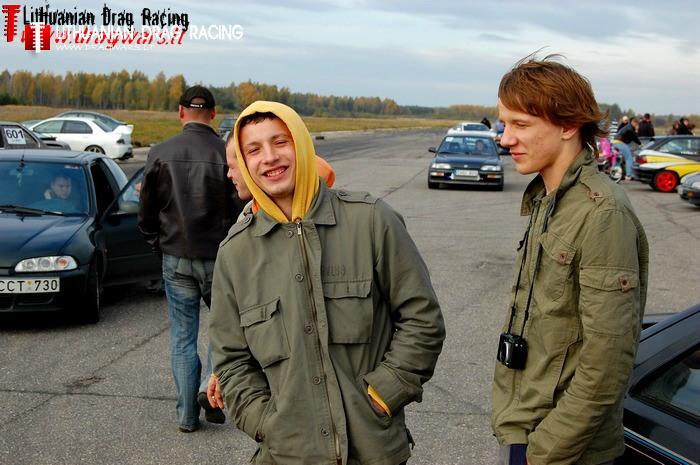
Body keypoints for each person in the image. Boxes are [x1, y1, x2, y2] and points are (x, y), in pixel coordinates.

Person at [209, 101, 445, 465]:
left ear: (303, 145)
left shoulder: (371, 221)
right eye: (253, 150)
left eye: (280, 142)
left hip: (373, 450)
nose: (269, 158)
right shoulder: (235, 253)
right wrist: (267, 424)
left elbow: (422, 319)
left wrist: (385, 394)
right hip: (287, 455)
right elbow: (231, 360)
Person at [492, 55, 649, 465]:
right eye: (505, 124)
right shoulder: (548, 199)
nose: (505, 139)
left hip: (564, 449)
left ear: (568, 125)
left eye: (520, 124)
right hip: (527, 425)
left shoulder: (602, 214)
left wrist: (546, 450)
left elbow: (606, 362)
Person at [138, 85, 243, 433]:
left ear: (181, 112)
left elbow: (146, 211)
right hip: (221, 258)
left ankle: (186, 416)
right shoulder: (225, 153)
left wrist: (158, 243)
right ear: (213, 114)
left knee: (182, 337)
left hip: (176, 256)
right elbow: (241, 206)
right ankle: (208, 388)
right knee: (224, 329)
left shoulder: (160, 152)